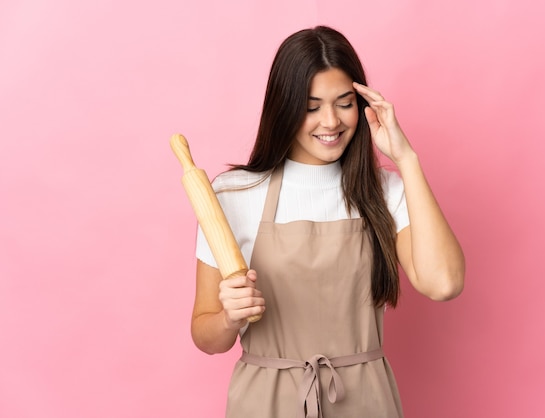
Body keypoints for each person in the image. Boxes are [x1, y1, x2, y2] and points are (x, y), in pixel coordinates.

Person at [190, 25, 465, 417]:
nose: (331, 121)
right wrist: (228, 318)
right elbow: (206, 336)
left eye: (344, 102)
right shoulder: (233, 195)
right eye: (312, 106)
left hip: (365, 403)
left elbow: (445, 283)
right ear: (284, 108)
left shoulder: (385, 192)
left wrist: (407, 159)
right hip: (265, 404)